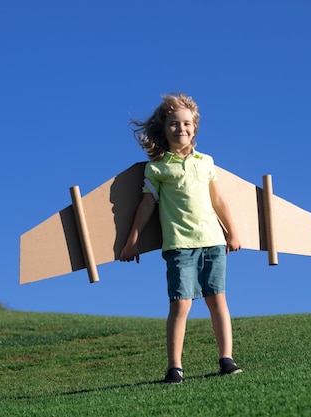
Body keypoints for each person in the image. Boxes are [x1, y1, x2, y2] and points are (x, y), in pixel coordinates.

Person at [119, 93, 243, 383]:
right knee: (180, 304)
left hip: (212, 241)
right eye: (174, 123)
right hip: (179, 245)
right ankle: (175, 367)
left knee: (217, 300)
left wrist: (232, 231)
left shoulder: (206, 162)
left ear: (195, 128)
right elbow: (146, 205)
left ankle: (226, 359)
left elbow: (219, 200)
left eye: (187, 123)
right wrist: (132, 240)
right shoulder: (158, 167)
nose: (181, 129)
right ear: (164, 128)